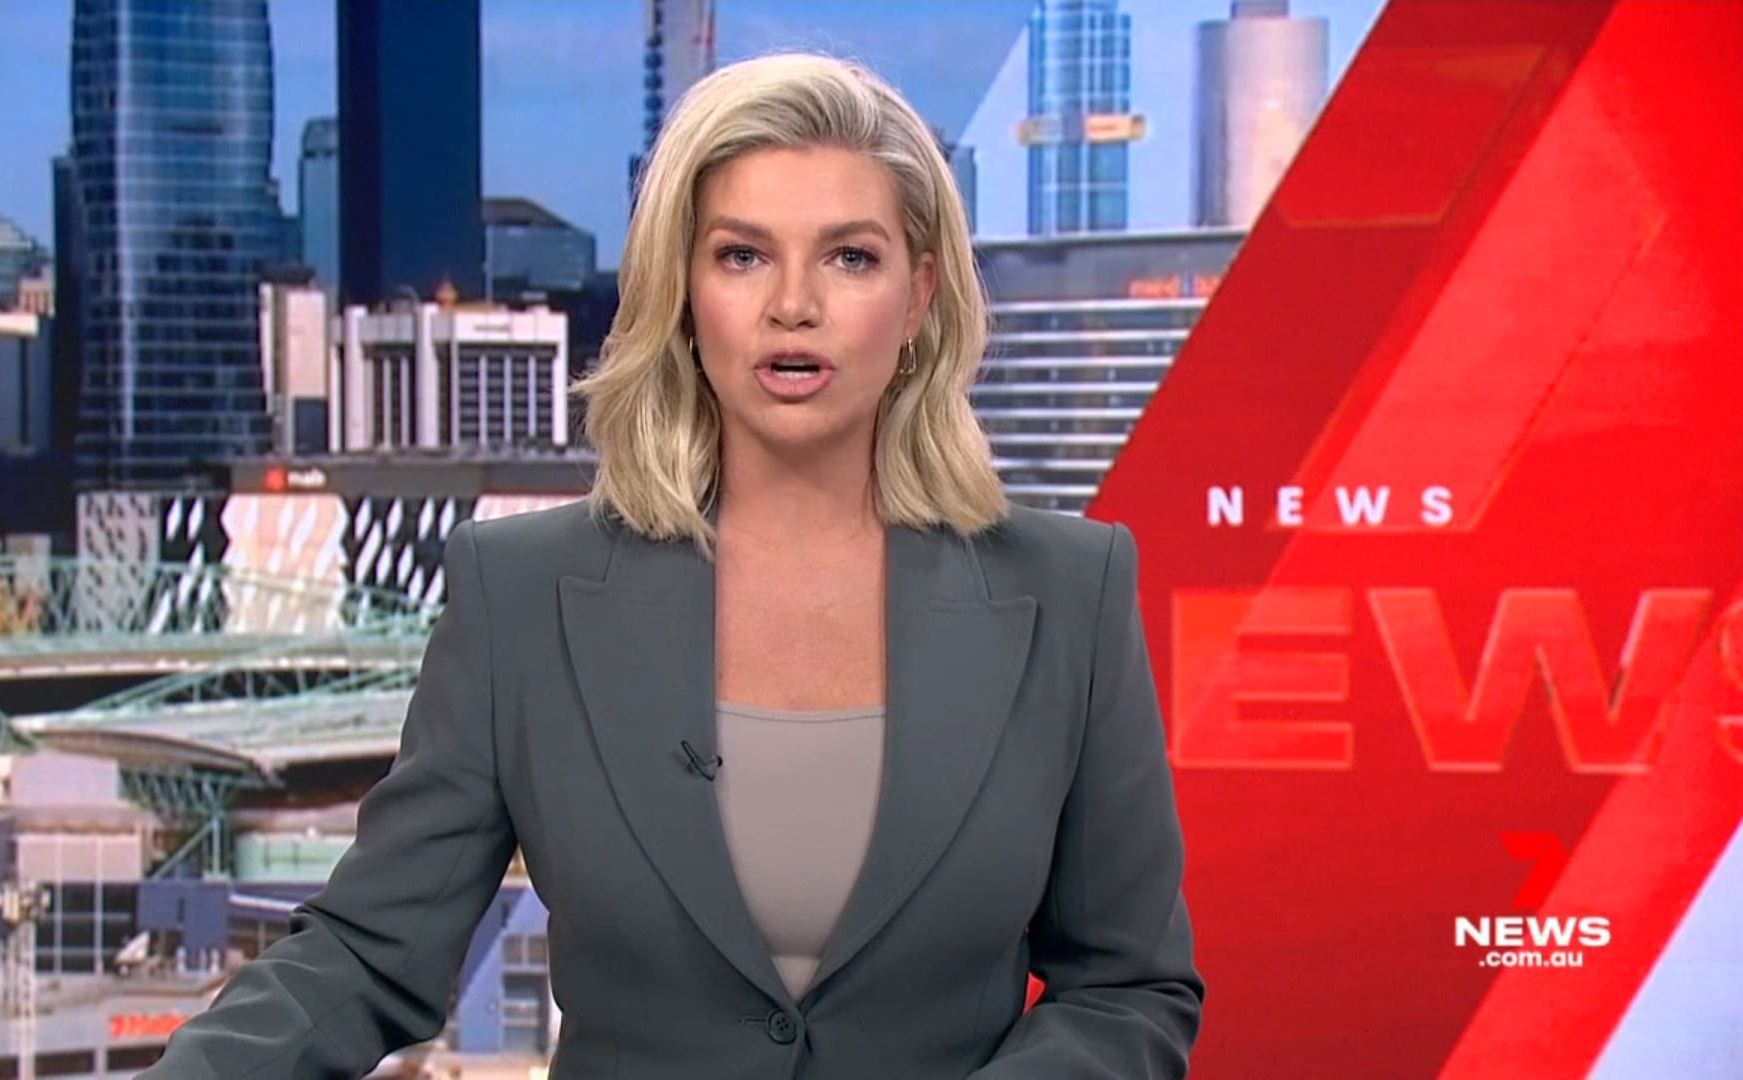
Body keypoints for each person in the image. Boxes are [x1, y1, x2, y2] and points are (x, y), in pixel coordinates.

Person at [145, 51, 1203, 1079]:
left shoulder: (1068, 593)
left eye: (850, 257)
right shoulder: (522, 597)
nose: (794, 304)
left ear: (920, 294)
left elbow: (1126, 990)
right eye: (742, 256)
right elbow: (371, 952)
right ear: (683, 293)